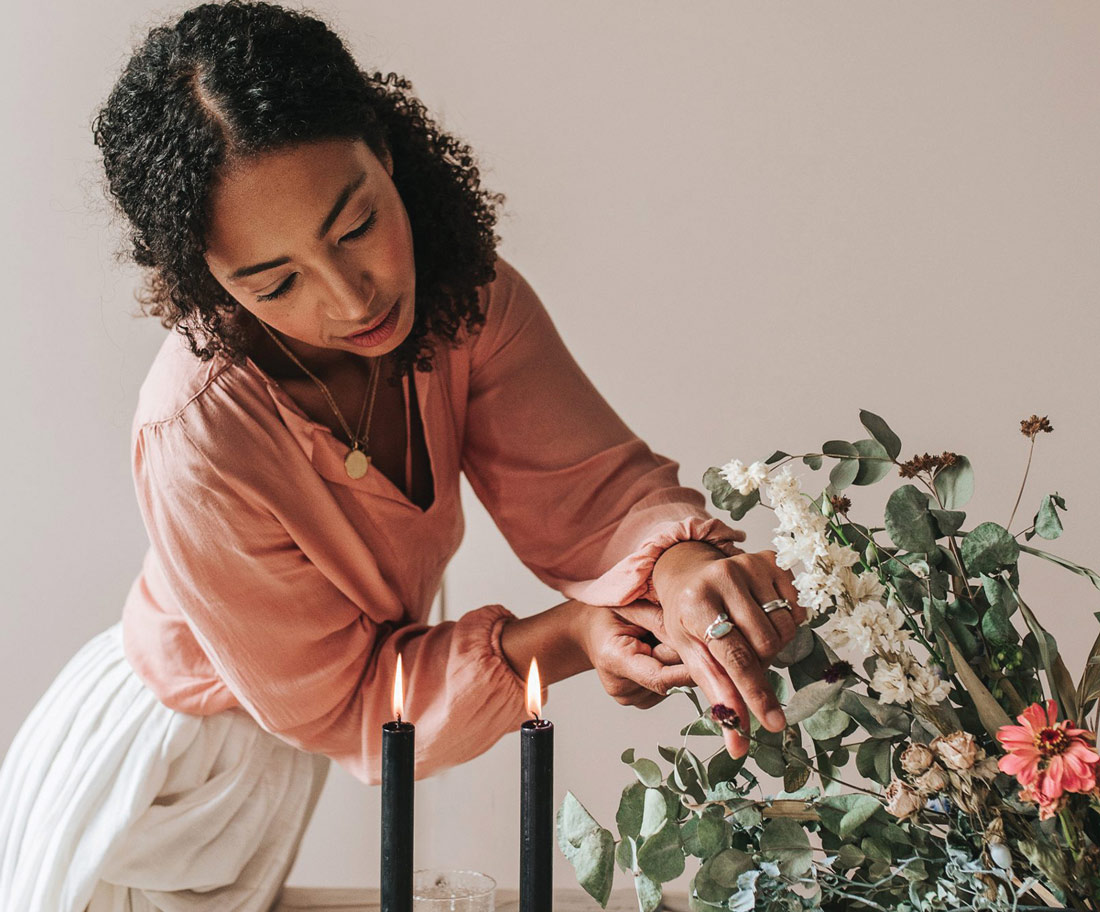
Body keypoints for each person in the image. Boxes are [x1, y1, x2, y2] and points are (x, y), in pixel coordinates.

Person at [0, 2, 806, 909]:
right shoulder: (196, 438)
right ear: (208, 285)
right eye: (275, 282)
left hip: (273, 770)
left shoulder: (469, 302)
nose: (349, 297)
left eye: (355, 227)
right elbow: (347, 708)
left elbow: (592, 496)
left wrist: (685, 563)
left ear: (386, 151)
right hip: (160, 771)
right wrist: (576, 639)